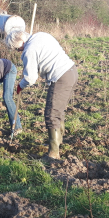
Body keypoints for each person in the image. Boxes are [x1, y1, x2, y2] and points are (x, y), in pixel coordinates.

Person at [5, 30, 78, 159]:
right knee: (58, 111)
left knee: (51, 114)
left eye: (17, 49)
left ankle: (53, 153)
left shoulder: (29, 50)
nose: (19, 51)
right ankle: (57, 142)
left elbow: (31, 78)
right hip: (71, 71)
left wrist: (20, 85)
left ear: (20, 42)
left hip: (61, 77)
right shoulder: (41, 35)